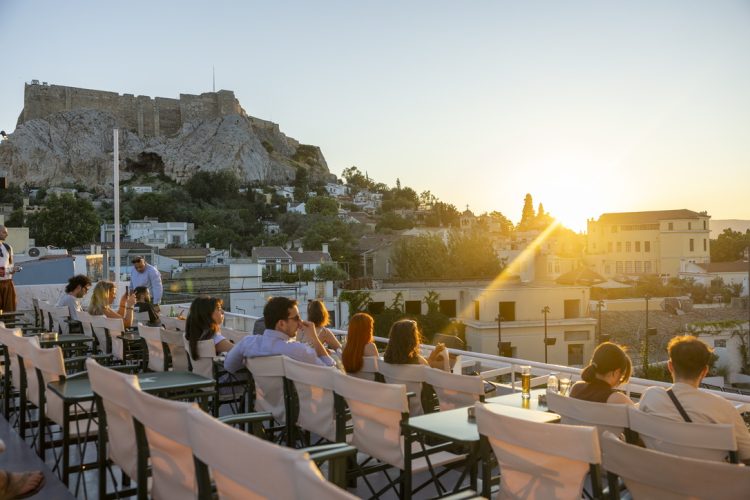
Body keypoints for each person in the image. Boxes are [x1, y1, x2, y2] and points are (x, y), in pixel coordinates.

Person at [639, 335, 750, 463]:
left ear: (670, 366)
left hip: (658, 472)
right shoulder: (723, 408)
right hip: (710, 475)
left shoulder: (651, 396)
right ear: (705, 371)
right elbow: (747, 455)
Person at [224, 296, 334, 372]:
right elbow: (330, 369)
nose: (300, 322)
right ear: (281, 324)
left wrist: (250, 363)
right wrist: (314, 338)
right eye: (296, 318)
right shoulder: (298, 350)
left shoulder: (247, 343)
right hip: (294, 400)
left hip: (261, 399)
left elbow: (229, 366)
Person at [569, 342, 634, 405]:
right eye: (621, 376)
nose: (619, 381)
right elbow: (636, 412)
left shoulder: (576, 388)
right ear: (616, 372)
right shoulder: (617, 399)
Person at [383, 319, 448, 369]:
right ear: (412, 339)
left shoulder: (386, 359)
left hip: (393, 382)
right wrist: (446, 357)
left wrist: (433, 355)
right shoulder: (417, 360)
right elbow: (429, 371)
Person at [184, 296, 233, 361]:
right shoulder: (215, 339)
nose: (223, 312)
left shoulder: (192, 335)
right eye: (219, 309)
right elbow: (239, 350)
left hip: (198, 368)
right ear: (207, 314)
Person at [0, 225, 18, 312]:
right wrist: (6, 271)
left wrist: (13, 270)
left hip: (8, 283)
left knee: (10, 310)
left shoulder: (8, 248)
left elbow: (10, 265)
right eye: (4, 232)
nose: (6, 235)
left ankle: (9, 322)